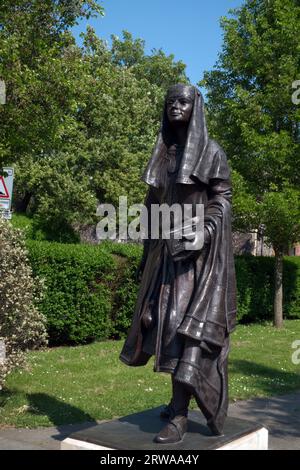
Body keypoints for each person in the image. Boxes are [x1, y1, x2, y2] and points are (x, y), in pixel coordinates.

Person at [119, 84, 237, 444]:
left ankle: (181, 415)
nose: (175, 106)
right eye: (170, 101)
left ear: (195, 106)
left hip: (195, 259)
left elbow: (223, 199)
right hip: (163, 256)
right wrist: (147, 249)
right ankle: (175, 405)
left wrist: (205, 230)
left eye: (182, 101)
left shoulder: (212, 152)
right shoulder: (165, 156)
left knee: (179, 331)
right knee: (151, 322)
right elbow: (153, 203)